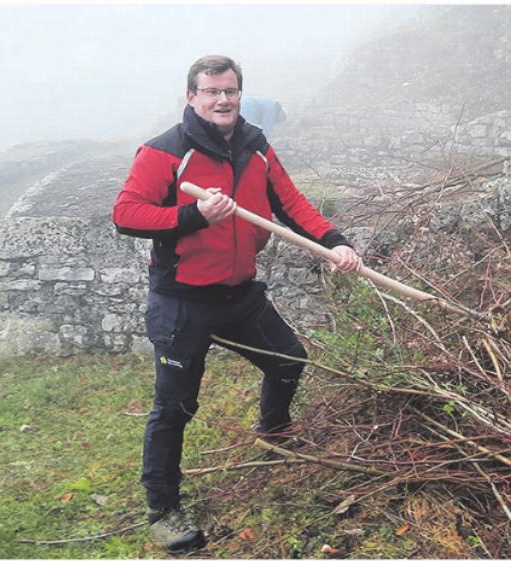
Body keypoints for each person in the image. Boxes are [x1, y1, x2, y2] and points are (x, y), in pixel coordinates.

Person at [112, 54, 361, 553]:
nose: (222, 100)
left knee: (288, 359)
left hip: (240, 291)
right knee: (175, 405)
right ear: (192, 97)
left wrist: (333, 239)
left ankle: (274, 430)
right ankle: (163, 507)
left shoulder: (255, 145)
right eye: (211, 91)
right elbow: (126, 214)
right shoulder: (164, 152)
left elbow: (290, 202)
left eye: (230, 91)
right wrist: (194, 216)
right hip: (182, 299)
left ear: (239, 95)